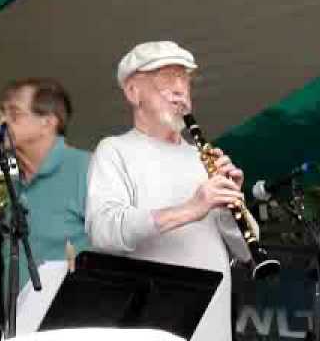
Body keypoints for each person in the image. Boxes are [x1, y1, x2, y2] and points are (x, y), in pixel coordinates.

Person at [86, 41, 258, 341]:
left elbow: (246, 251)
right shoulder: (115, 150)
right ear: (133, 92)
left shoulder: (204, 159)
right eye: (166, 79)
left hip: (211, 330)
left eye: (185, 80)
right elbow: (103, 232)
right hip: (148, 329)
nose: (180, 90)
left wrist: (232, 207)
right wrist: (190, 209)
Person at [0, 78, 90, 289]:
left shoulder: (88, 169)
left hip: (74, 317)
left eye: (14, 114)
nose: (1, 122)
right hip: (21, 320)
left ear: (47, 122)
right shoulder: (16, 184)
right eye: (0, 114)